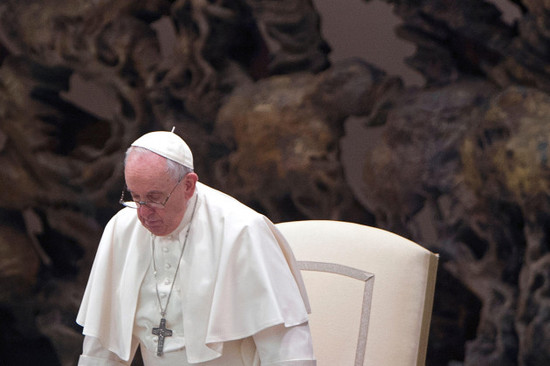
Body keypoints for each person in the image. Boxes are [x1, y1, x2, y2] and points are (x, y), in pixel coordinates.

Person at [76, 129, 316, 365]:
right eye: (135, 197)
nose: (143, 213)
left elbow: (286, 345)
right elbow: (102, 345)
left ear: (188, 186)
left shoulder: (243, 230)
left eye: (155, 197)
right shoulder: (122, 228)